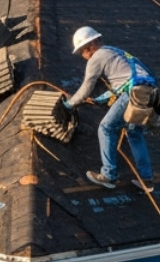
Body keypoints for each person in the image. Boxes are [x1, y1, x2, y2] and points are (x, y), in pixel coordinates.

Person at [64, 26, 155, 190]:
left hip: (133, 93)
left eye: (82, 52)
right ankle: (146, 180)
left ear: (89, 46)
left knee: (106, 128)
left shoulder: (97, 57)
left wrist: (70, 103)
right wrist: (99, 99)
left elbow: (86, 87)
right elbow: (125, 82)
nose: (83, 56)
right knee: (134, 134)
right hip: (148, 91)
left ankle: (108, 175)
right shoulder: (115, 51)